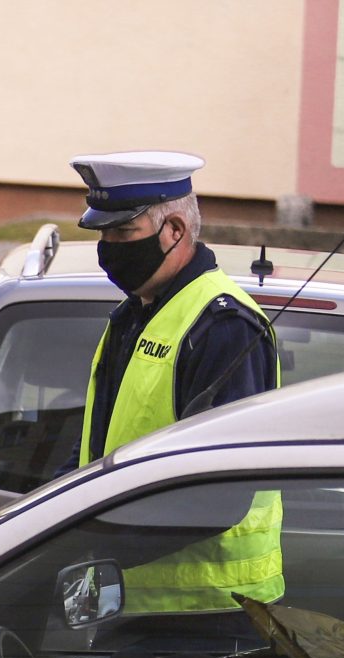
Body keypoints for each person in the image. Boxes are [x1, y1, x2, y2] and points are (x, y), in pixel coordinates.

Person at [69, 149, 281, 616]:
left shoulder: (222, 328)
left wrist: (93, 540)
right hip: (132, 607)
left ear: (176, 231)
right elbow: (102, 445)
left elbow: (219, 494)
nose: (109, 247)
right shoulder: (135, 315)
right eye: (104, 233)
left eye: (124, 232)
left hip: (206, 619)